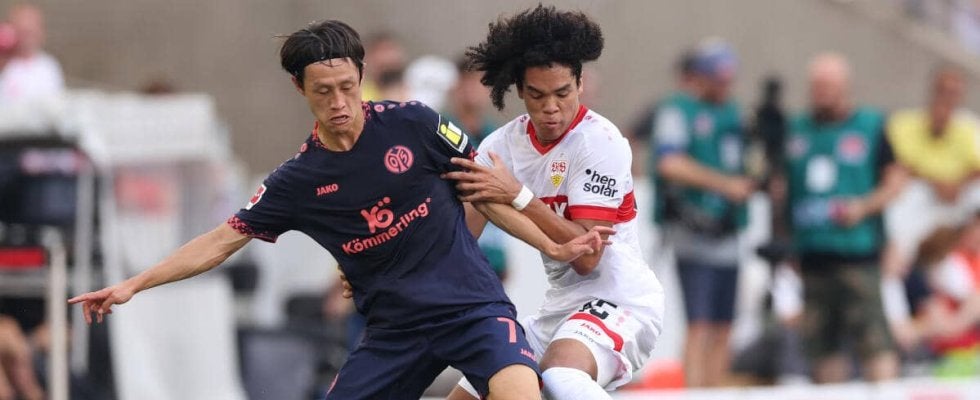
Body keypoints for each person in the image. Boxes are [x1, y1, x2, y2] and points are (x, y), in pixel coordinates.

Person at [68, 20, 611, 400]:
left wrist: (551, 244)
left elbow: (484, 195)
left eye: (348, 86)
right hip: (393, 331)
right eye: (323, 91)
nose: (339, 103)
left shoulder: (416, 124)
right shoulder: (296, 180)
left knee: (521, 392)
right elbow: (219, 241)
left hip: (471, 310)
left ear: (361, 74)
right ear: (299, 87)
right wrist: (134, 284)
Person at [442, 6, 664, 399]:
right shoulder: (500, 147)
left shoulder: (601, 142)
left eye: (562, 93)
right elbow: (457, 240)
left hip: (620, 300)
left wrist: (518, 196)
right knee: (473, 392)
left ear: (580, 83)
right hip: (559, 309)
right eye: (537, 94)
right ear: (520, 90)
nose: (551, 107)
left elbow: (586, 256)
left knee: (561, 374)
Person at [784, 53, 907, 383]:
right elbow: (785, 192)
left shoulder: (870, 126)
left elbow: (895, 181)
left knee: (874, 340)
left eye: (828, 85)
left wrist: (863, 208)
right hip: (812, 254)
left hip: (857, 253)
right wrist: (786, 242)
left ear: (844, 87)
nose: (821, 92)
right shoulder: (797, 130)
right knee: (822, 346)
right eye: (816, 86)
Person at [652, 39, 752, 387]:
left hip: (728, 229)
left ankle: (714, 389)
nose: (724, 87)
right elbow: (669, 163)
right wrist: (724, 184)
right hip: (693, 228)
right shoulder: (678, 110)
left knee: (724, 325)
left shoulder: (734, 113)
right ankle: (695, 391)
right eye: (717, 80)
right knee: (700, 324)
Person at [0, 4, 64, 104]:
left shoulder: (49, 67)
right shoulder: (5, 64)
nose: (26, 39)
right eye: (22, 31)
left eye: (30, 32)